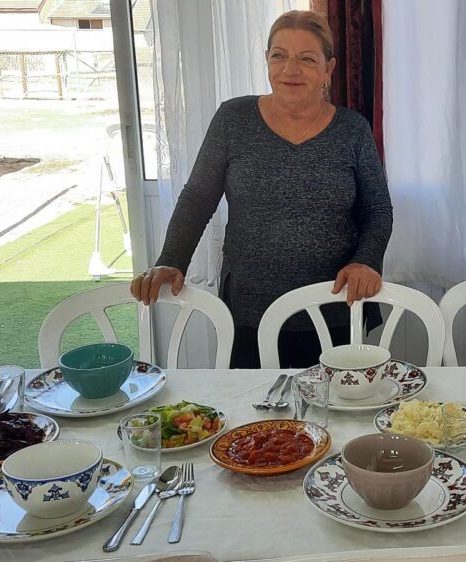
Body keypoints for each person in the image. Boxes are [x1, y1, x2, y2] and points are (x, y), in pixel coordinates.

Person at [130, 10, 392, 368]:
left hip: (336, 307)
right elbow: (197, 198)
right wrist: (171, 260)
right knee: (259, 418)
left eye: (306, 58)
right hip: (250, 309)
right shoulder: (232, 120)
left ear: (328, 69)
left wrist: (366, 261)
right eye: (279, 55)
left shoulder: (352, 131)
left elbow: (377, 209)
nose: (290, 69)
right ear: (267, 61)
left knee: (337, 416)